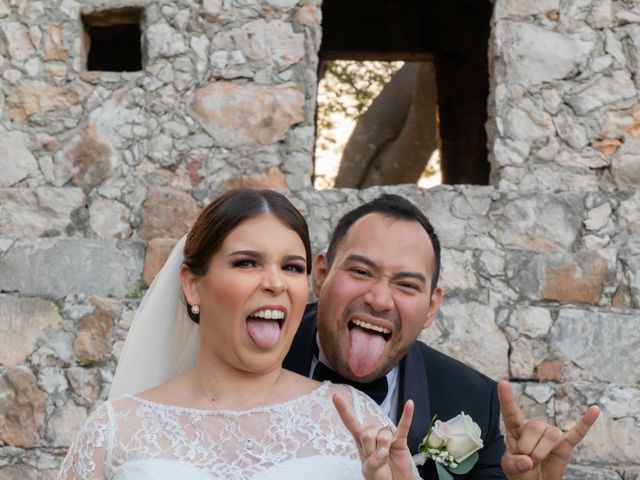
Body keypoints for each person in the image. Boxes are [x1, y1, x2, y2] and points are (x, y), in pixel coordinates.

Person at [58, 189, 419, 480]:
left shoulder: (356, 419)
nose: (276, 282)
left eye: (292, 267)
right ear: (192, 285)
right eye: (247, 263)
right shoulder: (114, 430)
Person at [283, 194, 600, 479]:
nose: (379, 300)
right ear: (321, 274)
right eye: (361, 272)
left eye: (407, 285)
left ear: (432, 306)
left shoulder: (471, 402)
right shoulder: (255, 357)